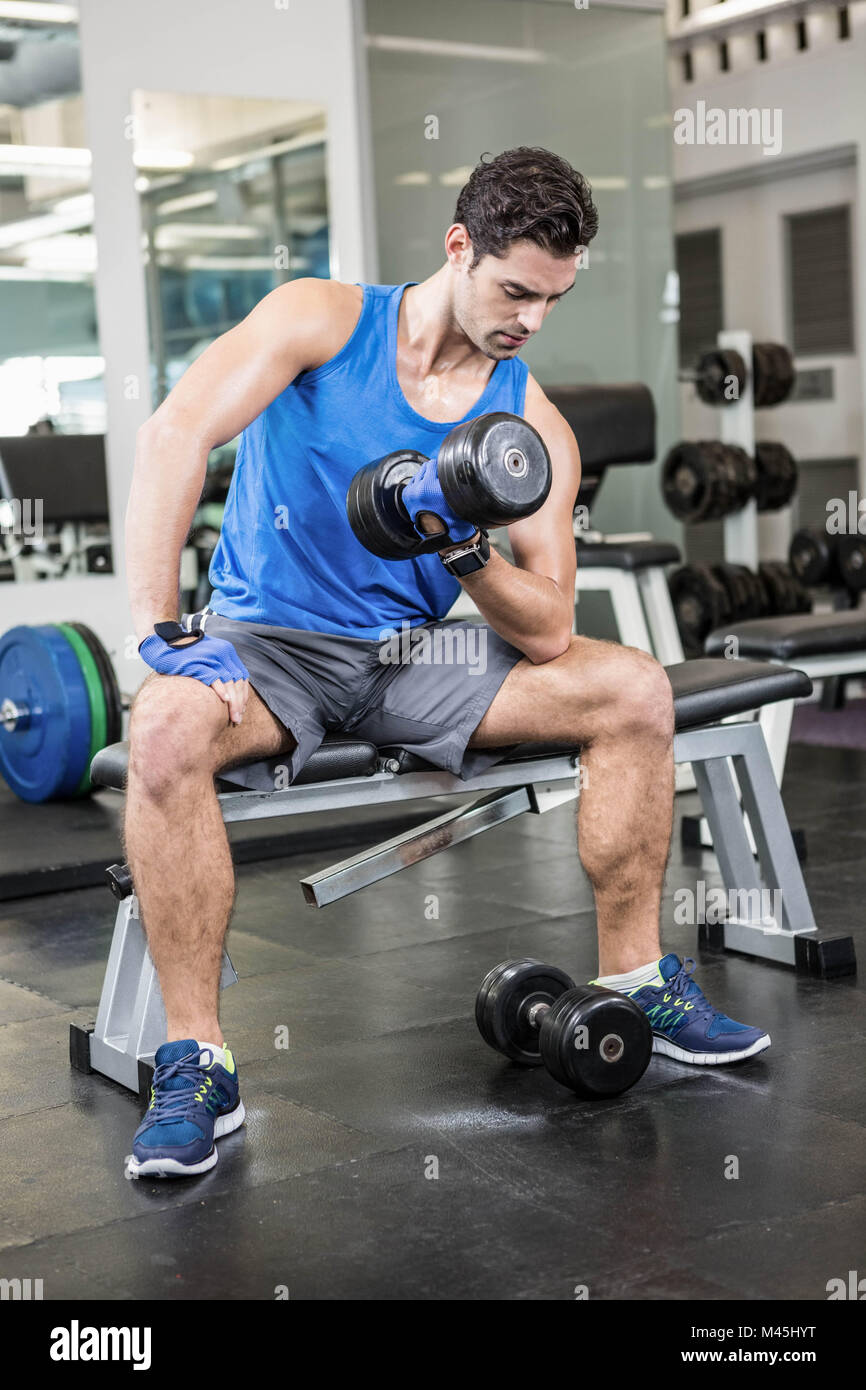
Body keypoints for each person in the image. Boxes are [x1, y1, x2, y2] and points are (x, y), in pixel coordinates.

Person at [123, 147, 769, 1180]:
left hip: (422, 654)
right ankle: (196, 1059)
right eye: (515, 290)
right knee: (160, 728)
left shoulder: (530, 424)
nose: (530, 320)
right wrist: (160, 625)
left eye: (552, 298)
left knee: (631, 687)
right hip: (271, 641)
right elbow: (175, 431)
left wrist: (460, 549)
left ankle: (638, 976)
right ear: (457, 247)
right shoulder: (320, 321)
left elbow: (550, 626)